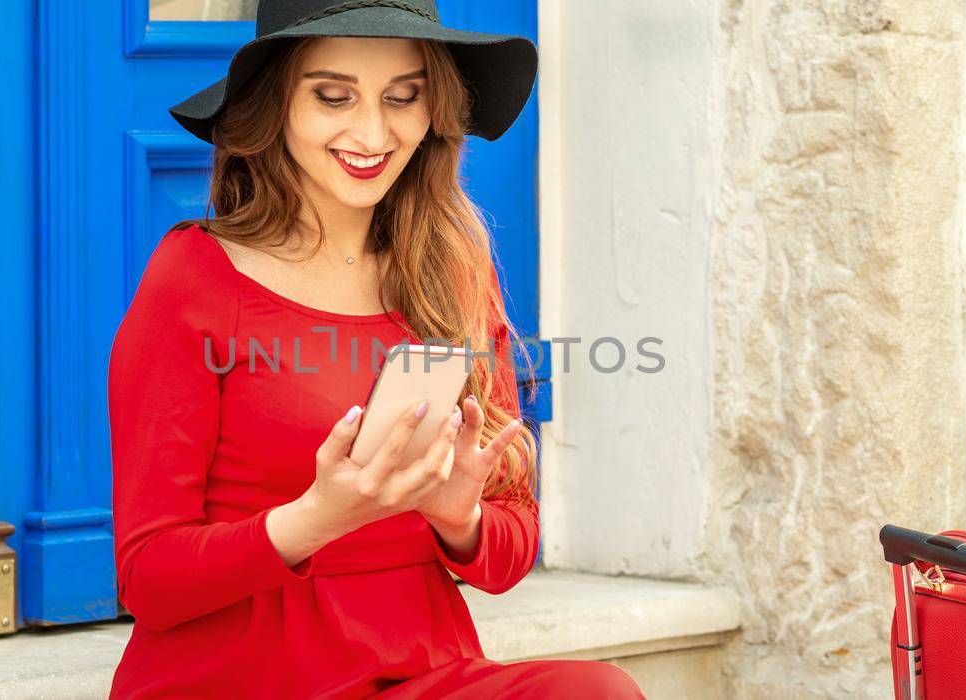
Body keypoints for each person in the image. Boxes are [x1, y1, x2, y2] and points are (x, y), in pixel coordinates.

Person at [107, 1, 646, 697]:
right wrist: (314, 520)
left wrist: (461, 519)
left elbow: (511, 547)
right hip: (241, 678)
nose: (372, 131)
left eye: (404, 97)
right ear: (276, 105)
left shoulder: (454, 270)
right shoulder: (194, 278)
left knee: (596, 692)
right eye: (333, 95)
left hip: (419, 673)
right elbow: (149, 579)